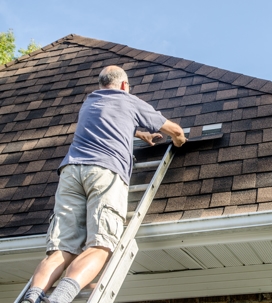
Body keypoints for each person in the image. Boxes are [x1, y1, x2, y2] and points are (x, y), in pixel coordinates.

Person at [22, 66, 187, 303]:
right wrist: (180, 141)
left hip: (71, 173)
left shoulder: (90, 102)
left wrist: (139, 135)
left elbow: (108, 122)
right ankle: (59, 299)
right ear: (123, 85)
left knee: (62, 249)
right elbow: (175, 130)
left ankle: (33, 296)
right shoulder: (129, 101)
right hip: (104, 172)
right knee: (101, 245)